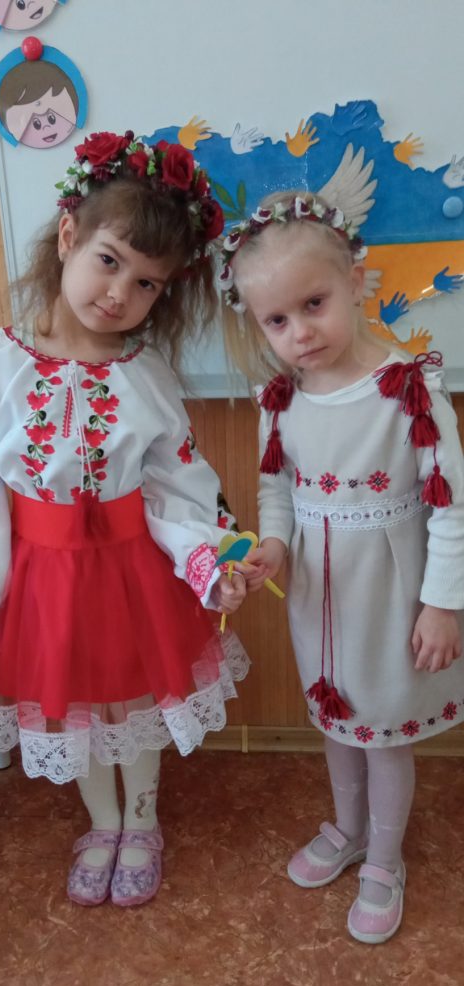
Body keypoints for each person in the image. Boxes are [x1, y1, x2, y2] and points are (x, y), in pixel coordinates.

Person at [0, 130, 249, 907]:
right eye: (109, 261)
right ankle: (101, 822)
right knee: (72, 708)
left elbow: (179, 484)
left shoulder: (145, 375)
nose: (119, 293)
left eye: (146, 283)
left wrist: (208, 558)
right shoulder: (1, 364)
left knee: (136, 702)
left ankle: (142, 821)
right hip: (40, 582)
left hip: (134, 574)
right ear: (69, 235)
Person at [221, 191, 464, 944]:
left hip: (391, 593)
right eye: (277, 320)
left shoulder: (408, 389)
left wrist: (442, 604)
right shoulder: (280, 400)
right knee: (336, 716)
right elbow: (277, 491)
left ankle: (385, 859)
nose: (299, 332)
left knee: (383, 730)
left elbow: (451, 505)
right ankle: (349, 828)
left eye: (314, 304)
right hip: (320, 596)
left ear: (355, 282)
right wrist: (274, 546)